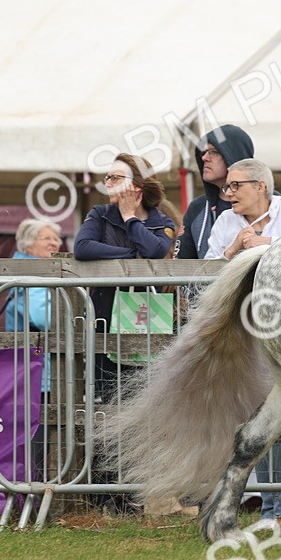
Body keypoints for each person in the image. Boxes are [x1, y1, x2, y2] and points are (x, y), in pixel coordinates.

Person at [204, 157, 281, 528]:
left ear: (260, 187)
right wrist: (233, 251)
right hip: (239, 332)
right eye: (227, 187)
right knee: (249, 420)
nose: (228, 192)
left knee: (271, 419)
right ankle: (270, 508)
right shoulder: (224, 223)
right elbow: (200, 277)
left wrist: (268, 244)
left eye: (236, 186)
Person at [74, 153, 176, 401]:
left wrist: (130, 217)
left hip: (148, 318)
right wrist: (131, 254)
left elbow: (155, 250)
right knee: (109, 394)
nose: (107, 182)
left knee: (146, 395)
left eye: (115, 177)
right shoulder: (101, 214)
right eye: (107, 177)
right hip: (106, 318)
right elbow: (83, 247)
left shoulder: (162, 221)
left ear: (137, 186)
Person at [176, 125, 255, 260]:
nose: (205, 158)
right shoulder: (198, 208)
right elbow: (180, 267)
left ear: (234, 156)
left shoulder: (269, 201)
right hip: (208, 281)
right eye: (204, 152)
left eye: (214, 152)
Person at [4, 219, 61, 333]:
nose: (54, 243)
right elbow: (44, 319)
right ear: (28, 245)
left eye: (56, 239)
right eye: (47, 238)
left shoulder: (20, 268)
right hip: (36, 348)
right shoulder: (31, 273)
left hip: (24, 347)